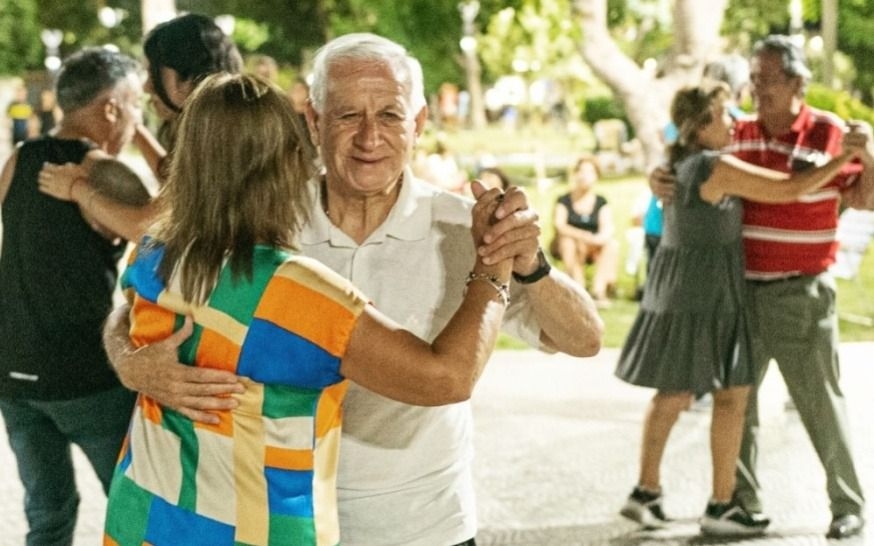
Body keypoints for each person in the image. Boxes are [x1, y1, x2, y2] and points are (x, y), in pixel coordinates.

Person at [102, 33, 604, 546]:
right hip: (283, 522)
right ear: (315, 122)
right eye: (347, 116)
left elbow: (586, 340)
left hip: (422, 527)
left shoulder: (466, 228)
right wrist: (130, 361)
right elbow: (133, 307)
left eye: (389, 115)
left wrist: (531, 265)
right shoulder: (264, 219)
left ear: (420, 124)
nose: (370, 137)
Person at [650, 35, 874, 540]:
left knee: (821, 404)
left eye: (766, 80)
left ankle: (847, 505)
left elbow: (867, 198)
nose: (756, 89)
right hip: (739, 293)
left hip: (802, 294)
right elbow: (687, 167)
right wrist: (657, 178)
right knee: (738, 405)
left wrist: (869, 156)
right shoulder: (736, 134)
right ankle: (741, 502)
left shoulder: (831, 132)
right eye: (752, 79)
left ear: (797, 82)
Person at [0, 47, 143, 546]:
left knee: (47, 516)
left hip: (11, 369)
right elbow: (162, 227)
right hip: (83, 374)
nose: (138, 120)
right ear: (112, 108)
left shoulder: (19, 159)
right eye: (136, 106)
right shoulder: (104, 174)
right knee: (133, 505)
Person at [38, 12, 244, 242]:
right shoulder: (213, 129)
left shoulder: (214, 141)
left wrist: (76, 188)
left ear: (190, 78)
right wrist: (135, 128)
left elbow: (147, 228)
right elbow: (173, 179)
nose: (147, 87)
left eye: (155, 73)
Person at [552, 155, 619, 306]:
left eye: (590, 172)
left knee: (612, 245)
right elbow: (560, 226)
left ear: (596, 176)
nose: (584, 176)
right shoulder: (563, 200)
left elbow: (607, 230)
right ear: (575, 174)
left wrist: (592, 240)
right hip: (568, 244)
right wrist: (582, 236)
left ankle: (598, 291)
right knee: (568, 242)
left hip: (592, 246)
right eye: (581, 171)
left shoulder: (601, 202)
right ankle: (578, 288)